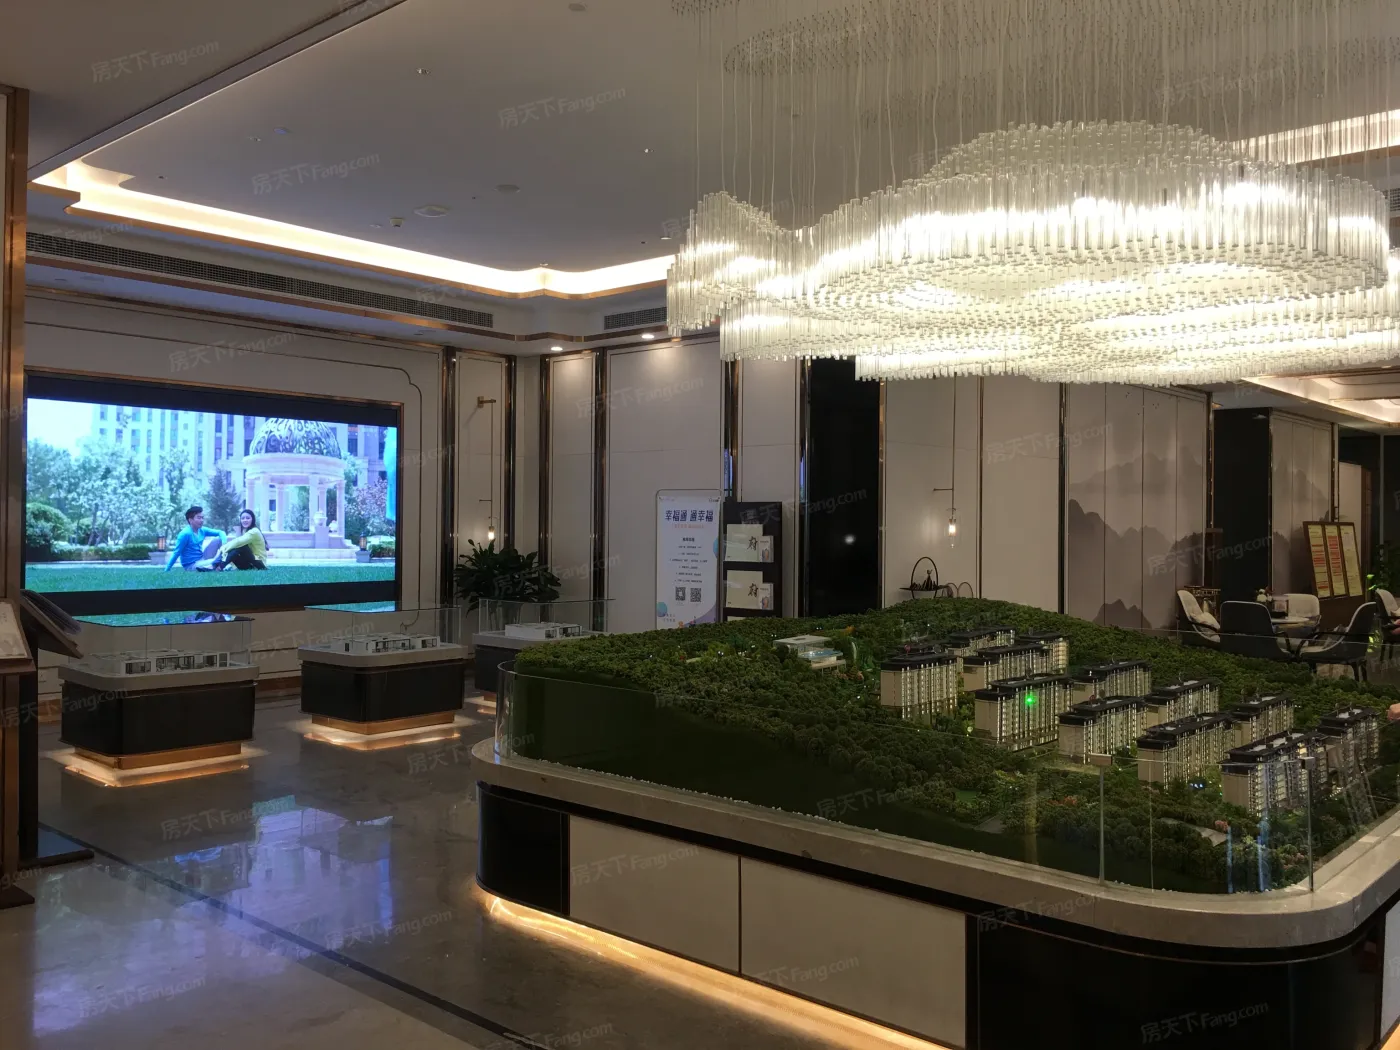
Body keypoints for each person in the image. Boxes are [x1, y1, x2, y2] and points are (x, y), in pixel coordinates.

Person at [164, 506, 225, 571]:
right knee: (217, 561)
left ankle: (221, 562)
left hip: (202, 558)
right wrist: (167, 569)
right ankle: (220, 564)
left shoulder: (202, 530)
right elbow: (176, 552)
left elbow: (221, 532)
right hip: (192, 565)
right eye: (199, 518)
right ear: (190, 520)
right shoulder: (185, 534)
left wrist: (224, 544)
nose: (201, 520)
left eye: (202, 518)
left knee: (218, 540)